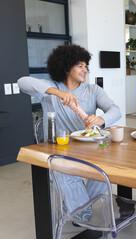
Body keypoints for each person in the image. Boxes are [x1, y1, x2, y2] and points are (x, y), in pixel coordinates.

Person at [18, 44, 122, 222]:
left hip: (90, 150)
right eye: (80, 65)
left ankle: (76, 208)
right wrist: (57, 93)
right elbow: (22, 82)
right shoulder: (49, 89)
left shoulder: (93, 90)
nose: (85, 70)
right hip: (60, 152)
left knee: (105, 172)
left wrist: (101, 120)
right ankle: (81, 213)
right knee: (63, 171)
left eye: (86, 66)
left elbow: (115, 110)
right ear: (66, 67)